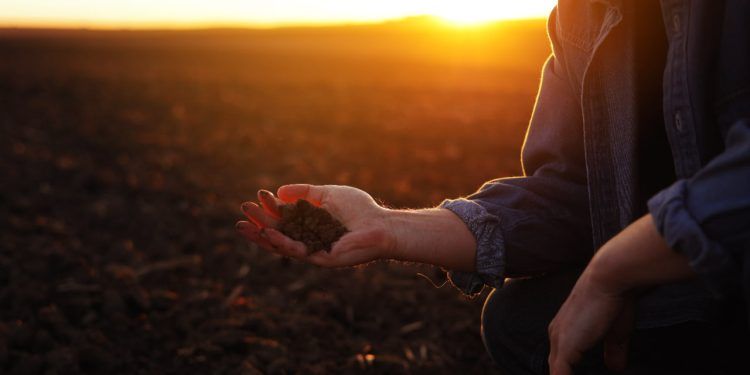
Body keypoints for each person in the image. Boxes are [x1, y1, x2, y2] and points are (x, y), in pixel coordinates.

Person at [237, 0, 750, 373]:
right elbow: (573, 193)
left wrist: (612, 271)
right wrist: (389, 226)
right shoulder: (582, 15)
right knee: (524, 320)